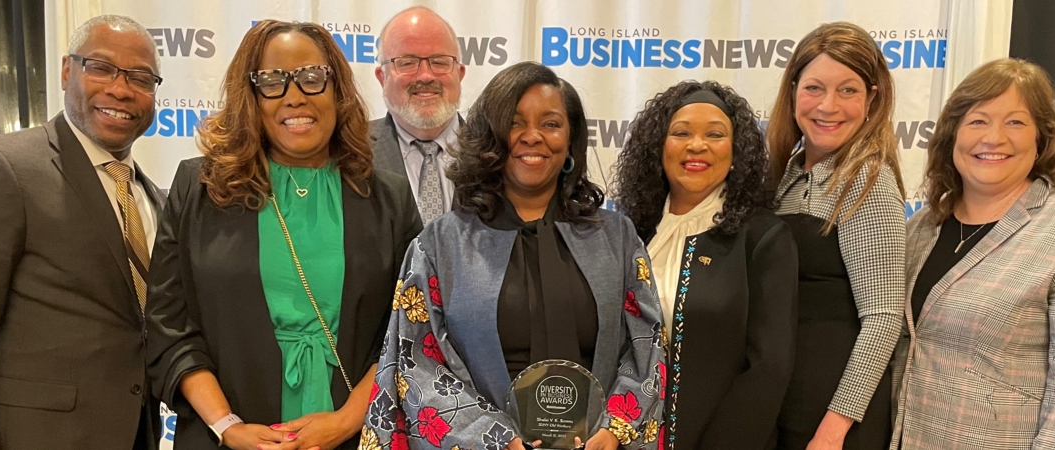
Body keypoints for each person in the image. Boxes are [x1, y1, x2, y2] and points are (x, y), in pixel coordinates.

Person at [145, 20, 421, 450]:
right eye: (272, 81)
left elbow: (407, 330)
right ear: (250, 97)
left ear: (338, 89)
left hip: (358, 437)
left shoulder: (389, 197)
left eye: (312, 78)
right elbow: (170, 325)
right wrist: (227, 426)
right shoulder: (199, 187)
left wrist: (346, 421)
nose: (295, 95)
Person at [360, 62, 665, 450]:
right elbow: (418, 364)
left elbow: (646, 345)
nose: (533, 136)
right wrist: (495, 440)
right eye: (515, 123)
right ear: (490, 137)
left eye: (551, 124)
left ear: (570, 142)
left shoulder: (617, 238)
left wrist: (613, 430)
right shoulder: (440, 245)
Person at [0, 14, 164, 450]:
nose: (121, 89)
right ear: (68, 70)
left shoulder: (150, 196)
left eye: (140, 78)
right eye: (101, 67)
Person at [889, 58, 1055, 450]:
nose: (994, 138)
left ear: (1042, 138)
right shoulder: (920, 228)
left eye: (1015, 122)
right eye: (978, 121)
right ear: (953, 136)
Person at [612, 80, 799, 450]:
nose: (697, 145)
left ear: (736, 151)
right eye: (681, 133)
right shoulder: (630, 232)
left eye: (715, 134)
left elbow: (769, 368)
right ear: (658, 147)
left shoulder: (763, 237)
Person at [766, 22, 906, 450]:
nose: (828, 106)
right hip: (781, 398)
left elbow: (884, 318)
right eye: (814, 88)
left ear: (872, 99)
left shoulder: (868, 179)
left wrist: (834, 427)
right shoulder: (784, 175)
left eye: (848, 90)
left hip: (832, 414)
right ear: (792, 92)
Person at [371, 6, 466, 224]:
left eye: (440, 62)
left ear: (459, 74)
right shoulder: (349, 154)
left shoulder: (497, 152)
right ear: (382, 77)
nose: (425, 75)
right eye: (407, 63)